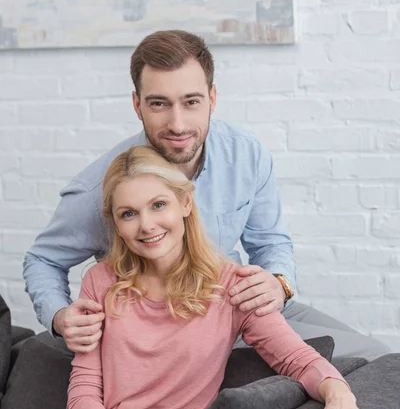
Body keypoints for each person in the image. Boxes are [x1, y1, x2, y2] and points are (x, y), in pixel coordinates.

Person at [1, 147, 373, 409]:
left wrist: (340, 395)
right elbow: (82, 397)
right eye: (129, 214)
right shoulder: (102, 280)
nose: (146, 225)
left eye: (157, 204)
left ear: (185, 202)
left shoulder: (233, 285)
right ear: (117, 225)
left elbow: (297, 359)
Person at [23, 30, 389, 360]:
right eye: (159, 104)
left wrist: (279, 283)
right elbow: (43, 260)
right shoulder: (102, 186)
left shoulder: (247, 155)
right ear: (137, 105)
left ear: (212, 98)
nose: (178, 124)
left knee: (379, 358)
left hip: (243, 303)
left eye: (191, 102)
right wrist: (59, 316)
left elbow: (271, 242)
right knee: (337, 369)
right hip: (177, 330)